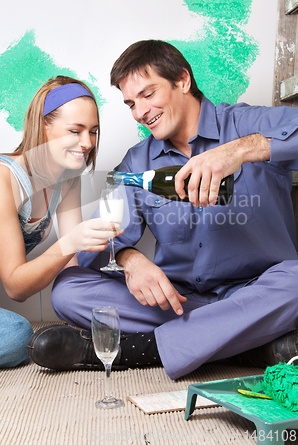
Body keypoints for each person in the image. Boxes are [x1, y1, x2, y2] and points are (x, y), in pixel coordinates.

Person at [29, 41, 298, 380]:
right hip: (176, 300)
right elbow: (103, 243)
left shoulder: (248, 122)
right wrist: (131, 261)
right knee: (68, 290)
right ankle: (250, 343)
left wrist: (245, 149)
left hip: (259, 290)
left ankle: (140, 350)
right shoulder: (136, 163)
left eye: (147, 94)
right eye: (130, 103)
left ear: (182, 80)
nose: (140, 112)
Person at [0, 75, 122, 371]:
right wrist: (70, 242)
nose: (87, 142)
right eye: (74, 131)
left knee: (15, 334)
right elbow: (16, 286)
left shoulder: (67, 179)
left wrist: (86, 306)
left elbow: (73, 261)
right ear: (44, 126)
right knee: (16, 336)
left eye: (93, 131)